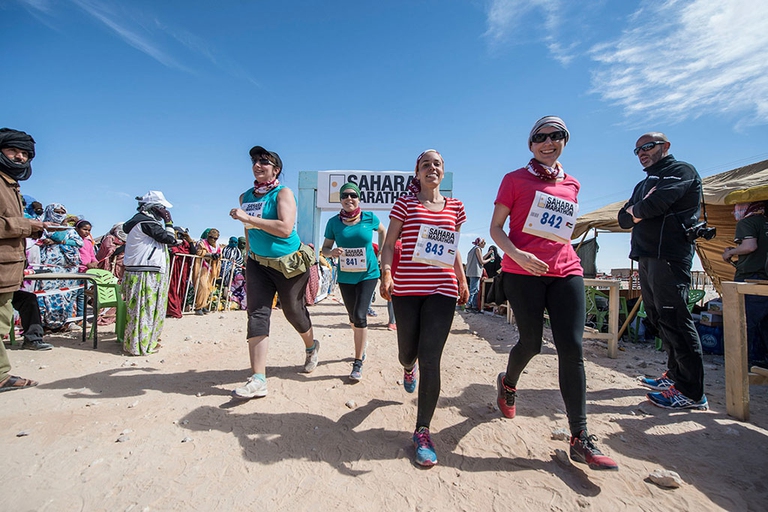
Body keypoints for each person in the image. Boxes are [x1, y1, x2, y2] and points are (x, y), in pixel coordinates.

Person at [490, 116, 619, 471]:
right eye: (540, 137)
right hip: (522, 273)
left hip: (566, 271)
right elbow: (496, 229)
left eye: (556, 136)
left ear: (565, 140)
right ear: (531, 144)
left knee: (572, 348)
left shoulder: (573, 184)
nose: (548, 142)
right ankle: (508, 383)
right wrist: (517, 254)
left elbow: (562, 231)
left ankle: (580, 436)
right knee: (531, 343)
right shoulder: (514, 179)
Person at [380, 149, 469, 467]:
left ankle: (422, 431)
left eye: (437, 164)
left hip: (442, 289)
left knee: (431, 358)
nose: (432, 168)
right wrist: (386, 273)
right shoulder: (405, 203)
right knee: (408, 353)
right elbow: (389, 244)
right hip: (406, 289)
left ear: (443, 172)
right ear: (417, 173)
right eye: (426, 164)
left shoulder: (456, 207)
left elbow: (453, 248)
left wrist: (461, 279)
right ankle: (408, 367)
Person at [618, 132, 708, 411]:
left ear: (665, 146)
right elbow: (623, 219)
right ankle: (675, 375)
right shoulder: (644, 183)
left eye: (647, 147)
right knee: (658, 318)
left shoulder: (681, 171)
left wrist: (638, 209)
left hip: (669, 255)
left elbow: (654, 205)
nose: (642, 153)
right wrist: (638, 210)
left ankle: (692, 393)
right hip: (646, 255)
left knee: (675, 319)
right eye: (637, 150)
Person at [229, 145, 319, 399]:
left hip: (289, 264)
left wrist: (248, 218)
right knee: (257, 314)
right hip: (258, 263)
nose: (258, 165)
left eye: (264, 162)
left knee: (293, 311)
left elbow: (284, 228)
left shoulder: (283, 193)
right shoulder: (245, 197)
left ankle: (311, 347)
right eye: (255, 161)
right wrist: (248, 254)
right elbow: (248, 230)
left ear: (276, 169)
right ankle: (258, 379)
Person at [0, 127, 49, 391]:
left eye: (25, 154)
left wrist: (30, 228)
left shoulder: (10, 185)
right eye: (13, 150)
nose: (19, 157)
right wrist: (26, 226)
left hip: (9, 269)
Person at [322, 182, 386, 381]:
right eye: (345, 196)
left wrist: (381, 253)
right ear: (340, 200)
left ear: (359, 198)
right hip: (346, 276)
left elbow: (383, 231)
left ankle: (358, 362)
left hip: (368, 274)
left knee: (360, 315)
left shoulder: (369, 217)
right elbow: (324, 249)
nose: (349, 198)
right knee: (352, 318)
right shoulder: (333, 223)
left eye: (353, 195)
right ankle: (361, 340)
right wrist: (332, 252)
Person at [122, 190, 177, 355]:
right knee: (145, 310)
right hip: (145, 272)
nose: (164, 212)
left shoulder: (142, 222)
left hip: (144, 270)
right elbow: (170, 239)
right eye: (161, 208)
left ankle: (143, 341)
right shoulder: (146, 223)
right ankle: (141, 345)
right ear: (153, 207)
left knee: (144, 310)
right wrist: (169, 222)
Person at [722, 201, 768, 367]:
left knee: (743, 323)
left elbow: (750, 246)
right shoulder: (765, 223)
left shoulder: (747, 222)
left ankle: (740, 365)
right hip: (765, 279)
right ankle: (761, 363)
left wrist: (730, 253)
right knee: (764, 324)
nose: (735, 211)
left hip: (750, 278)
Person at [34, 203, 83, 330]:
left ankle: (64, 323)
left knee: (66, 296)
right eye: (57, 212)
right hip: (49, 269)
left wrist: (61, 241)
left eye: (62, 212)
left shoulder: (70, 230)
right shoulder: (43, 227)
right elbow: (55, 236)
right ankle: (44, 324)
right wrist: (63, 228)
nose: (60, 215)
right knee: (46, 295)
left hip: (68, 269)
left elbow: (79, 242)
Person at [167, 227, 197, 318]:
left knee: (181, 288)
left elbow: (193, 252)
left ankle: (178, 307)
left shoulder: (185, 244)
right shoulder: (170, 242)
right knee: (171, 288)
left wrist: (190, 241)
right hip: (173, 269)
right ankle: (170, 309)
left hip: (183, 269)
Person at [192, 228, 222, 315]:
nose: (213, 240)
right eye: (211, 237)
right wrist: (210, 255)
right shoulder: (202, 243)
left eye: (215, 238)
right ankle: (198, 307)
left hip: (212, 268)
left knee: (208, 287)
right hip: (202, 267)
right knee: (202, 286)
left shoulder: (217, 246)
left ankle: (204, 305)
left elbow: (220, 254)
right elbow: (199, 252)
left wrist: (217, 256)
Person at [74, 219, 98, 322]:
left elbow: (92, 255)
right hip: (76, 272)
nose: (87, 232)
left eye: (89, 230)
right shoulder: (74, 241)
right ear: (77, 229)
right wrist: (86, 264)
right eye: (85, 229)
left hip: (85, 273)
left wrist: (95, 262)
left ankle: (80, 319)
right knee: (72, 296)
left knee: (83, 296)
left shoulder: (88, 243)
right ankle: (70, 320)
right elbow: (75, 256)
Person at [464, 237, 492, 312]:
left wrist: (489, 254)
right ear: (480, 243)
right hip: (475, 272)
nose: (485, 244)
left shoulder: (473, 250)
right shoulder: (478, 249)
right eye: (484, 243)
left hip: (471, 272)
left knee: (475, 289)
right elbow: (482, 261)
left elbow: (480, 258)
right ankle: (468, 305)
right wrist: (490, 259)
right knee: (474, 290)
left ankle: (474, 306)